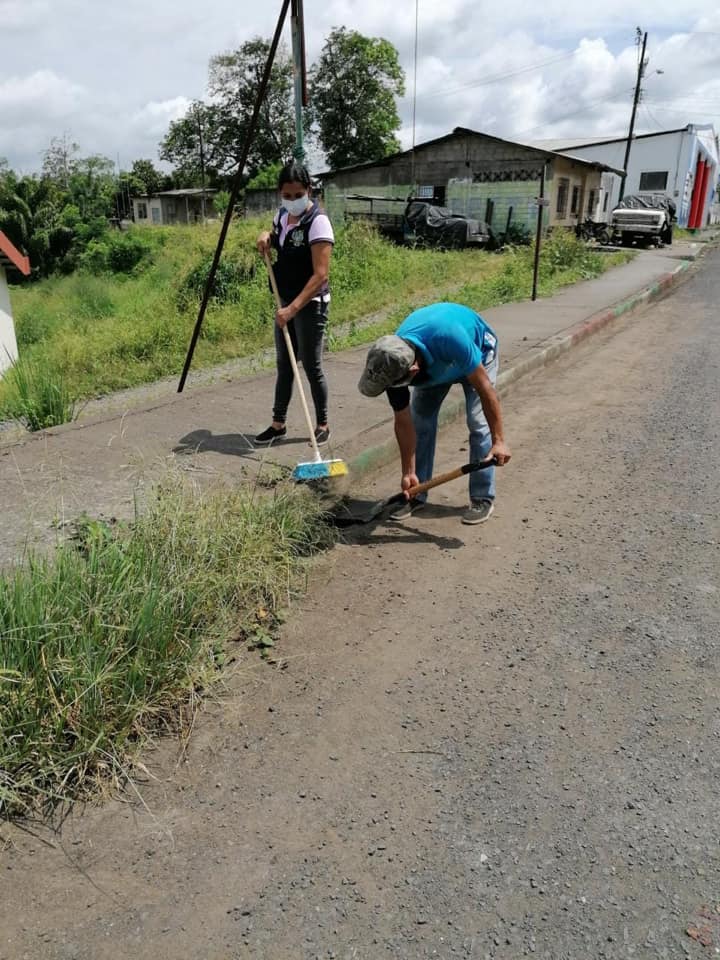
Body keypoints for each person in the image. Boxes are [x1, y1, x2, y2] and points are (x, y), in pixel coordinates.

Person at [358, 302, 511, 524]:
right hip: (438, 365)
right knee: (420, 421)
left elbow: (485, 389)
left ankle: (482, 497)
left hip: (477, 353)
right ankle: (417, 490)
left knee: (478, 423)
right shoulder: (392, 361)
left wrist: (499, 441)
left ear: (413, 371)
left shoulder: (449, 337)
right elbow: (404, 421)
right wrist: (408, 472)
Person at [255, 161, 334, 446]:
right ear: (280, 193)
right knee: (285, 364)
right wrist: (266, 237)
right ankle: (278, 424)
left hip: (310, 304)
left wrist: (292, 309)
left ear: (308, 190)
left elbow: (320, 275)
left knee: (311, 365)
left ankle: (322, 424)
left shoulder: (318, 221)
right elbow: (276, 240)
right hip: (285, 298)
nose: (292, 200)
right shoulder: (281, 216)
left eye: (298, 195)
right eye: (286, 196)